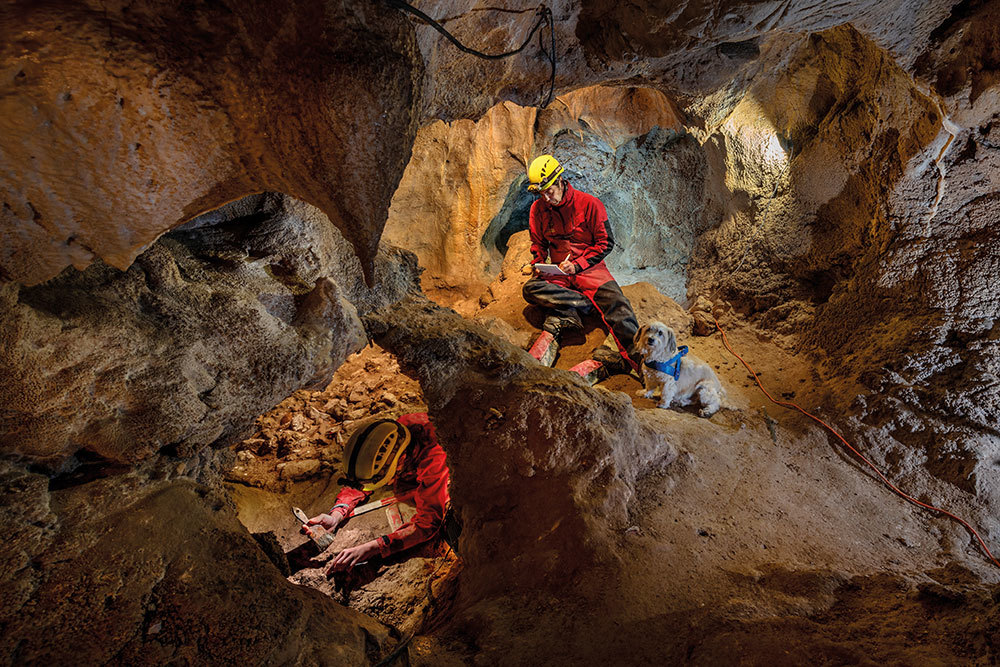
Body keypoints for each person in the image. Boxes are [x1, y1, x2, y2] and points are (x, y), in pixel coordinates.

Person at [522, 154, 641, 381]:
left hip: (588, 270)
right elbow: (538, 243)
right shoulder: (538, 210)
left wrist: (578, 266)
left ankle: (642, 362)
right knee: (530, 289)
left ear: (560, 181)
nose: (546, 198)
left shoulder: (590, 204)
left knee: (618, 304)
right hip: (558, 272)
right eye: (541, 193)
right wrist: (537, 263)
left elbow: (605, 242)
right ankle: (586, 306)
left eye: (549, 191)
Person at [302, 413, 450, 570]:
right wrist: (337, 514)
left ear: (401, 461)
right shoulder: (394, 433)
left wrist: (375, 547)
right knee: (402, 488)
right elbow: (361, 484)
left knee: (449, 521)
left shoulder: (435, 459)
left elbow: (428, 523)